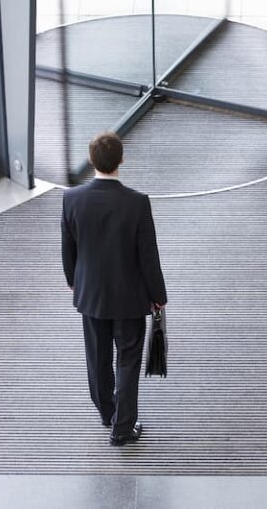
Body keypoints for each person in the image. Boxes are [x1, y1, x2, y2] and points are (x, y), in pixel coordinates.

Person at [61, 131, 167, 446]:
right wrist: (158, 296)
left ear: (91, 161)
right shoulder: (136, 203)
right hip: (130, 297)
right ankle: (122, 427)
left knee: (97, 357)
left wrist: (73, 281)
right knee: (128, 358)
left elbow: (68, 249)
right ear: (121, 160)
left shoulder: (72, 199)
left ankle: (107, 413)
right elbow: (148, 256)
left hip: (91, 295)